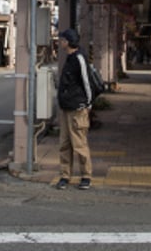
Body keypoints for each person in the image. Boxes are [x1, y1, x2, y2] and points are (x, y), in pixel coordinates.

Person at [54, 27, 93, 191]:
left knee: (79, 144)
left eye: (61, 40)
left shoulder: (78, 58)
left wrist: (88, 102)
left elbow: (87, 81)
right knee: (64, 143)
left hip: (77, 108)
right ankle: (65, 175)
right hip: (66, 107)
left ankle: (86, 176)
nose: (60, 42)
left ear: (67, 42)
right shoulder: (70, 57)